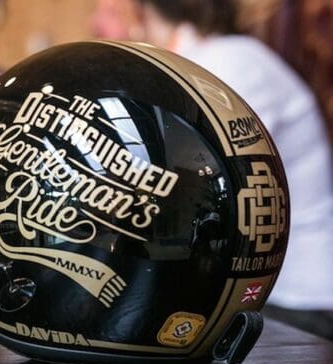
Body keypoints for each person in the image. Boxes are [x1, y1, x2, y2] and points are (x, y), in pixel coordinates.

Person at [137, 0, 333, 339]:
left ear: (146, 14)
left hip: (300, 305)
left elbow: (185, 179)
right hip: (277, 296)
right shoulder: (229, 57)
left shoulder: (228, 63)